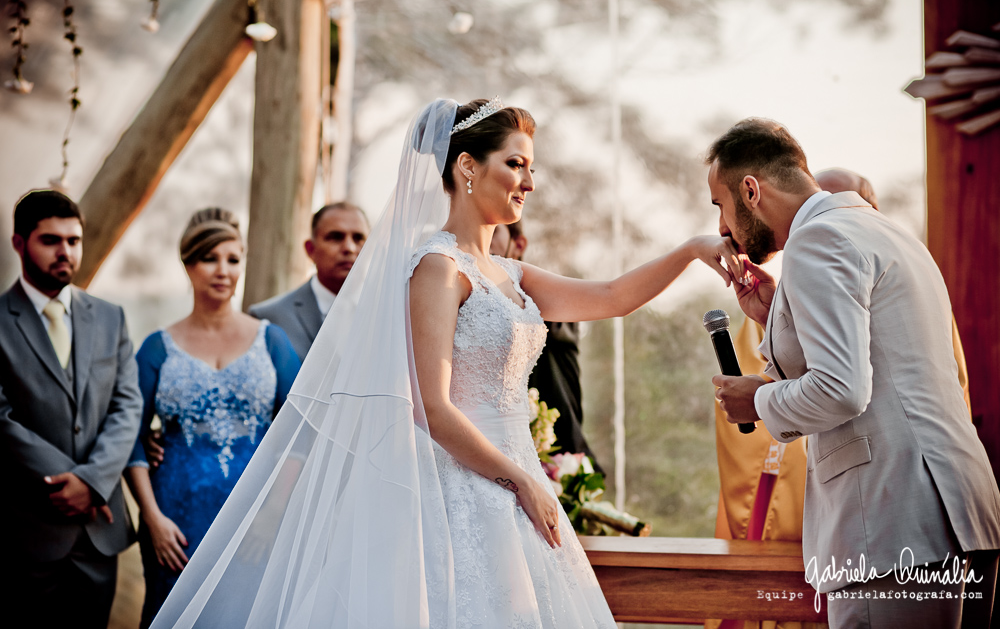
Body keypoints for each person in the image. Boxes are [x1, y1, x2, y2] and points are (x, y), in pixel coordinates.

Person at [146, 98, 739, 628]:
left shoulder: (509, 274)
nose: (530, 181)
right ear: (467, 167)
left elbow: (612, 297)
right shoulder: (437, 266)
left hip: (516, 482)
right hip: (463, 485)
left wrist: (693, 250)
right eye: (517, 164)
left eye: (532, 167)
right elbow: (432, 406)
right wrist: (521, 482)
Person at [707, 118, 1000, 628]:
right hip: (957, 514)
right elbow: (883, 365)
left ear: (750, 190)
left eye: (720, 206)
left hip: (891, 524)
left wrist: (756, 400)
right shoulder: (887, 232)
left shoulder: (816, 239)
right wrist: (773, 314)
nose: (722, 229)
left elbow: (841, 391)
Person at [123, 208, 299, 628]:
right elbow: (128, 436)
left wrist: (273, 512)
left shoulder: (271, 341)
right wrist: (151, 518)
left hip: (253, 514)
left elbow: (300, 430)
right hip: (176, 518)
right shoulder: (155, 348)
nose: (223, 271)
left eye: (233, 259)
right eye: (209, 259)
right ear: (188, 265)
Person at [0, 189, 142, 629]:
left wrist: (93, 482)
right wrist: (69, 484)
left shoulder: (110, 317)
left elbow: (127, 404)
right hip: (26, 527)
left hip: (98, 528)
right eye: (51, 241)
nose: (66, 252)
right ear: (20, 244)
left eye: (74, 241)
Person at [491, 220, 603, 472]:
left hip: (561, 458)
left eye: (495, 231)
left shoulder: (538, 302)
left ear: (518, 245)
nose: (486, 242)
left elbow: (607, 297)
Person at [248, 202, 370, 362]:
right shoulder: (269, 317)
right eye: (335, 237)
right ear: (310, 249)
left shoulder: (394, 312)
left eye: (358, 238)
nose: (349, 248)